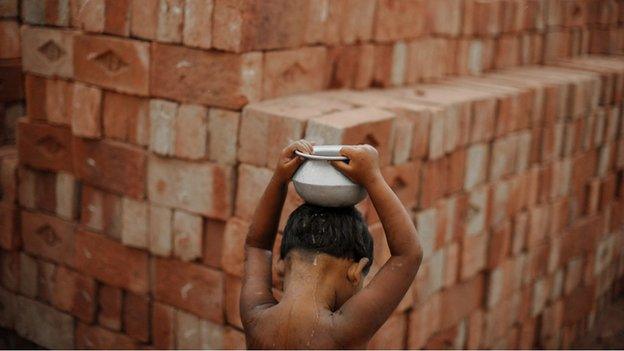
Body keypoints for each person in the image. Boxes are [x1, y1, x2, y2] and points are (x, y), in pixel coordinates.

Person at [240, 139, 423, 349]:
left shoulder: (255, 316)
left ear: (281, 264)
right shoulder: (342, 332)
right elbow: (408, 256)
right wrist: (373, 178)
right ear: (356, 272)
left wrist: (280, 178)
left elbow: (257, 247)